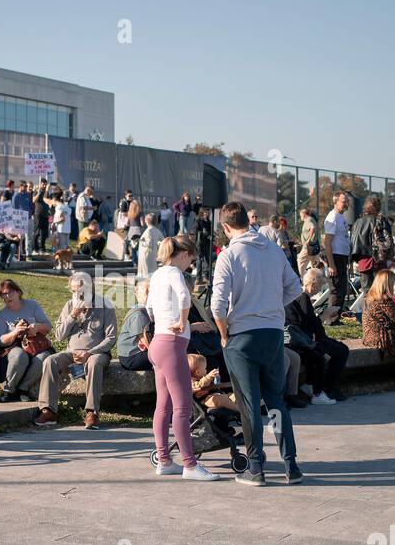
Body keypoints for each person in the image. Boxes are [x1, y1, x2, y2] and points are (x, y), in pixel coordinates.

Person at [210, 201, 303, 486]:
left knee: (249, 403)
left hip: (242, 335)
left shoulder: (229, 255)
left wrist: (224, 333)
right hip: (273, 332)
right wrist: (272, 307)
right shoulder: (274, 250)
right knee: (276, 400)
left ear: (226, 227)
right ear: (247, 222)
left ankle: (255, 466)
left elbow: (217, 305)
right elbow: (296, 288)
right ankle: (291, 465)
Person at [141, 235, 219, 480]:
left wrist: (174, 322)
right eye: (191, 260)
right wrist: (183, 321)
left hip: (158, 344)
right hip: (172, 346)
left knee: (162, 407)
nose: (191, 264)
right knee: (182, 408)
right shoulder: (175, 273)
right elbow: (185, 299)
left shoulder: (157, 274)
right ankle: (190, 465)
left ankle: (164, 460)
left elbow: (149, 308)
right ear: (183, 254)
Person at [34, 271, 118, 430]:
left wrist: (90, 353)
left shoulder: (105, 305)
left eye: (80, 290)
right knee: (50, 360)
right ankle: (48, 410)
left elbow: (111, 338)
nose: (77, 294)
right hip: (71, 353)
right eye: (73, 291)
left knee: (94, 363)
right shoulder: (69, 306)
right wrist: (73, 315)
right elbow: (59, 336)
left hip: (96, 353)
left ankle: (92, 412)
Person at [285, 266, 351, 404]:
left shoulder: (298, 296)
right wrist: (324, 315)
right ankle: (325, 389)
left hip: (305, 338)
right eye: (320, 286)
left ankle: (318, 386)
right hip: (306, 340)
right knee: (341, 351)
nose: (319, 290)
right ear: (313, 283)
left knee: (335, 350)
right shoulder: (302, 297)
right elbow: (309, 325)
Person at [0, 278, 52, 402]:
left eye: (10, 292)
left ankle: (23, 389)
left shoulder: (32, 305)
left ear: (18, 292)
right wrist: (15, 332)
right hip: (14, 346)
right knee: (20, 356)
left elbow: (48, 327)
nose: (7, 296)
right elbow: (1, 340)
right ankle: (9, 390)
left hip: (34, 344)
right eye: (3, 294)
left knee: (44, 357)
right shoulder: (2, 315)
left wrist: (37, 327)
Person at [322, 191, 353, 312]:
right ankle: (331, 319)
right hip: (335, 257)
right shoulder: (332, 217)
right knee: (336, 289)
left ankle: (337, 315)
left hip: (342, 257)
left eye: (347, 202)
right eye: (344, 202)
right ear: (336, 202)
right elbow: (327, 242)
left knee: (342, 288)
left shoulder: (341, 217)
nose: (347, 204)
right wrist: (331, 265)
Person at [117, 279, 153, 372]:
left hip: (138, 352)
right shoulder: (139, 313)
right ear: (137, 293)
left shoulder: (146, 310)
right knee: (167, 358)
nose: (148, 294)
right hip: (131, 356)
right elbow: (145, 340)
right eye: (145, 291)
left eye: (150, 290)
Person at [137, 213, 164, 279]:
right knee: (152, 273)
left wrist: (140, 241)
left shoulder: (149, 231)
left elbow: (149, 244)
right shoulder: (158, 231)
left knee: (146, 274)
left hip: (146, 256)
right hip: (152, 256)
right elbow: (163, 242)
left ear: (146, 221)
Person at [297, 208, 320, 274]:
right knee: (315, 266)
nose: (300, 216)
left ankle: (303, 278)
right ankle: (315, 280)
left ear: (303, 214)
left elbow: (312, 228)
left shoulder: (308, 220)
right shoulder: (312, 219)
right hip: (314, 247)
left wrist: (308, 240)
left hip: (308, 247)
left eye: (300, 215)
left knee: (300, 261)